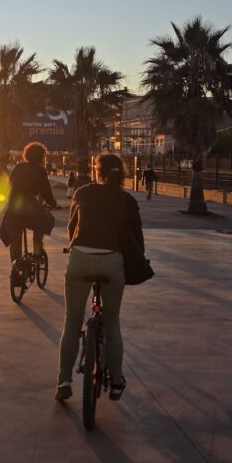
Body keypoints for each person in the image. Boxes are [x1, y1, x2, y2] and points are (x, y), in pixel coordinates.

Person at [56, 153, 142, 402]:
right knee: (112, 323)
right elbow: (137, 239)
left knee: (72, 322)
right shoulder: (127, 200)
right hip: (112, 262)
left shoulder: (82, 193)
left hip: (80, 260)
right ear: (121, 174)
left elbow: (72, 229)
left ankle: (63, 381)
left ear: (97, 171)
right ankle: (116, 381)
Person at [0, 142, 59, 269]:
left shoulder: (18, 168)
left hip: (14, 206)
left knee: (14, 233)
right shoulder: (40, 171)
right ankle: (37, 252)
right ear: (42, 157)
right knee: (42, 223)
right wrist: (53, 204)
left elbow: (9, 187)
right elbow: (46, 192)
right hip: (30, 206)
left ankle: (16, 265)